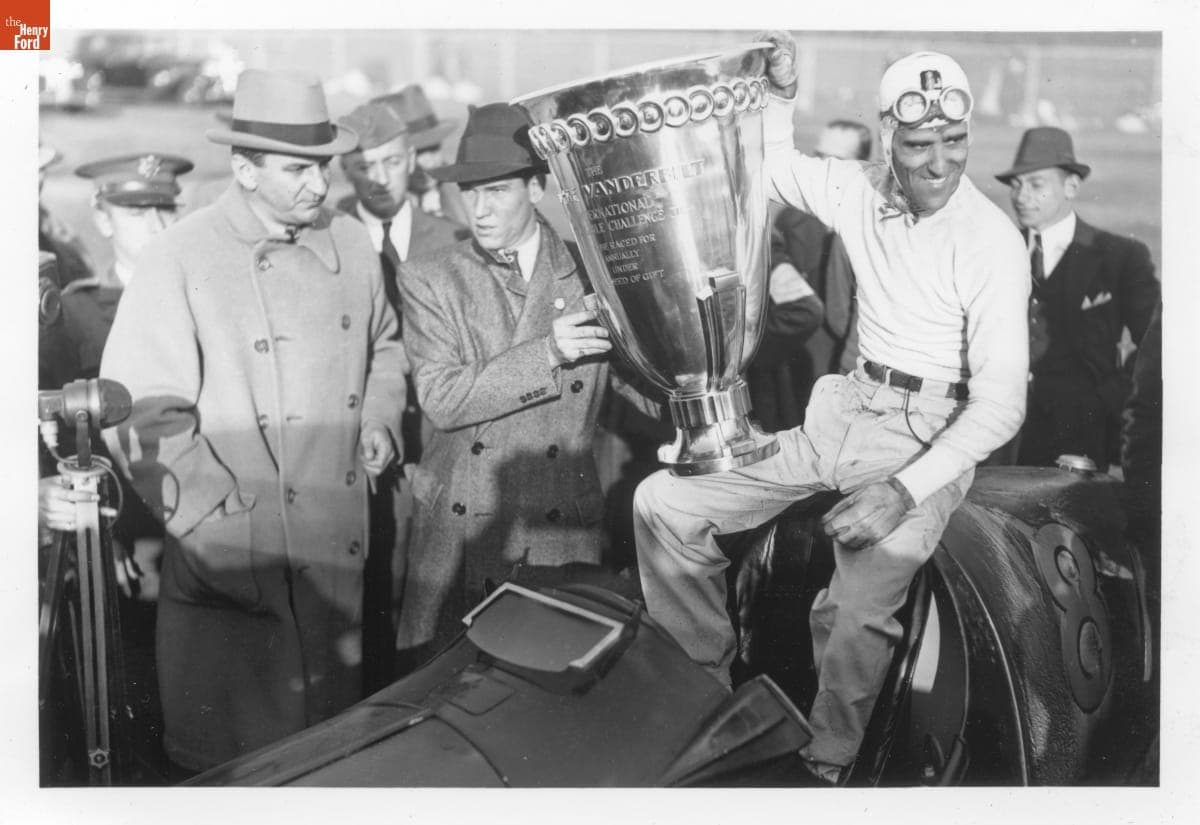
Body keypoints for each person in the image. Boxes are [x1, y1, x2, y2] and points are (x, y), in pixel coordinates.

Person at [633, 38, 1030, 785]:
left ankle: (826, 770)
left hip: (929, 436)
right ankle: (704, 703)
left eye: (954, 142)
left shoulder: (992, 242)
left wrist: (904, 490)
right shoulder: (860, 187)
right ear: (889, 137)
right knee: (664, 503)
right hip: (840, 413)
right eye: (918, 145)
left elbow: (1002, 404)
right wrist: (782, 94)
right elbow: (776, 165)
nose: (940, 164)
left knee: (855, 608)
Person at [100, 68, 407, 774]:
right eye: (298, 169)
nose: (319, 185)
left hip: (336, 570)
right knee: (243, 775)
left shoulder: (353, 245)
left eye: (322, 166)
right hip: (235, 579)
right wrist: (223, 519)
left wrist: (380, 416)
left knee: (333, 768)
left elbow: (385, 345)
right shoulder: (180, 256)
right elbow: (139, 410)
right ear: (243, 169)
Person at [393, 102, 615, 670]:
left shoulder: (595, 273)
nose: (480, 210)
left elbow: (642, 390)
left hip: (557, 530)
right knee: (443, 696)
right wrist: (548, 352)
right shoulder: (431, 277)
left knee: (548, 704)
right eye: (471, 193)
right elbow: (443, 399)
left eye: (497, 191)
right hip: (462, 533)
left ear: (537, 187)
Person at [335, 98, 467, 691]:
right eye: (364, 165)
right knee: (360, 617)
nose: (379, 177)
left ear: (411, 158)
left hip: (440, 461)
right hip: (358, 464)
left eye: (390, 161)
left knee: (432, 614)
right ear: (345, 170)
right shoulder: (328, 240)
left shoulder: (456, 240)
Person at [996, 127, 1160, 471]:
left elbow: (1155, 344)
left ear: (1071, 186)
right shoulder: (995, 249)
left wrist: (1110, 397)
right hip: (999, 432)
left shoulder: (1119, 256)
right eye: (1016, 185)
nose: (1022, 196)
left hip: (1081, 433)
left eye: (1036, 184)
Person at [757, 119, 873, 427]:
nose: (824, 169)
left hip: (853, 372)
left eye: (836, 161)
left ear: (861, 167)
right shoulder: (791, 222)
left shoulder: (874, 226)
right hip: (797, 374)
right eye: (819, 157)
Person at [371, 84, 471, 225]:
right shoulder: (373, 206)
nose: (429, 162)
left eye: (434, 149)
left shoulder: (466, 194)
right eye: (418, 153)